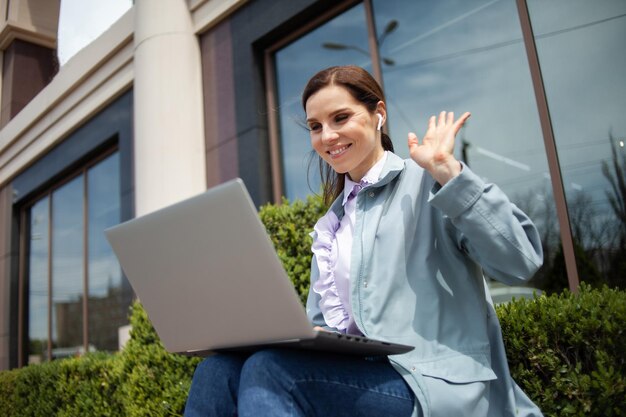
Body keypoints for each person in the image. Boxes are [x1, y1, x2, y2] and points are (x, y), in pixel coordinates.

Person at [184, 65, 544, 417]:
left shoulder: (428, 181)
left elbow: (519, 260)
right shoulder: (331, 226)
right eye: (315, 126)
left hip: (435, 385)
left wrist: (449, 174)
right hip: (362, 378)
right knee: (217, 372)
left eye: (340, 118)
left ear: (379, 114)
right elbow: (325, 325)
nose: (327, 136)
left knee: (271, 370)